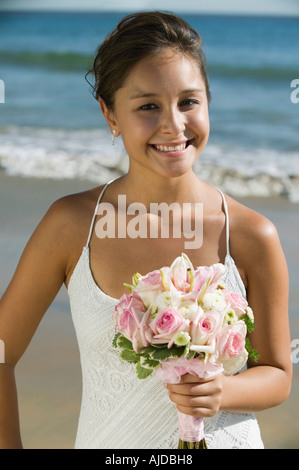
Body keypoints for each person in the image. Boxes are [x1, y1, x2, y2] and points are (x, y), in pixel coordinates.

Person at [0, 11, 292, 449]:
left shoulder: (252, 235)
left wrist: (222, 391)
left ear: (209, 101)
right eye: (148, 106)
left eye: (189, 101)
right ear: (110, 114)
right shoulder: (73, 224)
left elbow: (278, 374)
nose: (174, 125)